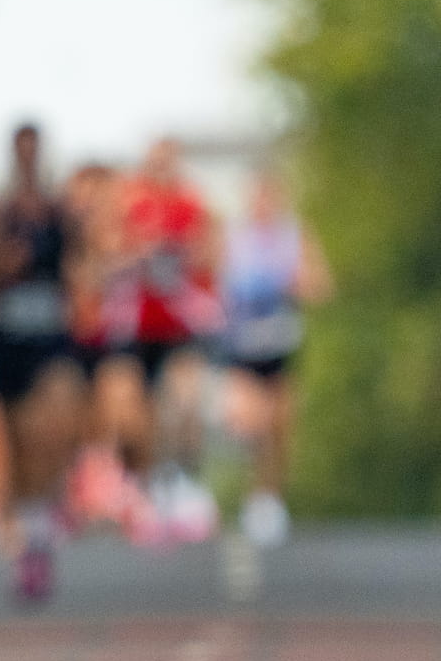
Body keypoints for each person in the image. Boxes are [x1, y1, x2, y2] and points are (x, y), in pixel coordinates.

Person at [0, 124, 86, 602]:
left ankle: (40, 527)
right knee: (13, 449)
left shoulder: (60, 215)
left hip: (52, 337)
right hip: (6, 340)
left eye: (35, 151)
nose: (29, 160)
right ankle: (25, 541)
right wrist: (2, 266)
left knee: (51, 429)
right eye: (22, 152)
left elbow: (83, 269)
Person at [222, 168, 331, 546]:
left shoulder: (295, 237)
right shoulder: (232, 240)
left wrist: (295, 281)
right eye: (258, 198)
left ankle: (270, 497)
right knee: (256, 422)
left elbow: (321, 286)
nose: (263, 206)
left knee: (281, 427)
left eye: (270, 198)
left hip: (281, 345)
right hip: (241, 348)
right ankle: (255, 497)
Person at [120, 137, 220, 541]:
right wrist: (141, 250)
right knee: (140, 413)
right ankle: (147, 486)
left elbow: (211, 256)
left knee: (187, 401)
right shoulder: (129, 205)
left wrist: (182, 248)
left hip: (182, 323)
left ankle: (185, 477)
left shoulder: (193, 205)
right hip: (141, 326)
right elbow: (110, 255)